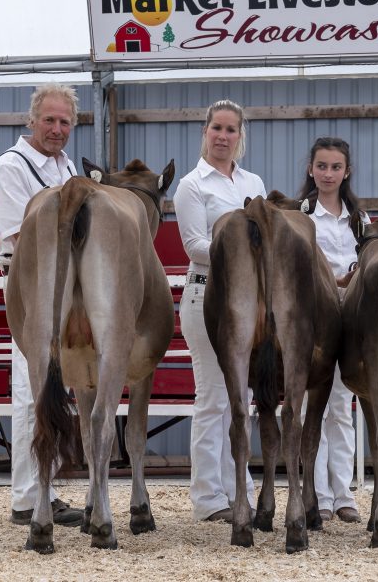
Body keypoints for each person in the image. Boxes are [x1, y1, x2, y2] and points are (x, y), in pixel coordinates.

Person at [0, 83, 84, 528]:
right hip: (28, 286)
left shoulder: (69, 168)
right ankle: (26, 497)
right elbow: (17, 236)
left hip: (68, 289)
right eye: (49, 120)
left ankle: (47, 489)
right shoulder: (11, 166)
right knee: (30, 392)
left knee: (56, 389)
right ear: (32, 120)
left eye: (64, 121)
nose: (56, 129)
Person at [174, 99, 266, 523]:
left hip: (246, 300)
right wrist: (242, 253)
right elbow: (194, 245)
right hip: (206, 294)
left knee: (241, 399)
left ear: (240, 136)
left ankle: (239, 490)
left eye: (231, 130)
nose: (223, 137)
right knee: (213, 398)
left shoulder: (253, 182)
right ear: (205, 131)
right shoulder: (192, 185)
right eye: (217, 128)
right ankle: (208, 498)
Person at [295, 137, 368, 524]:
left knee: (341, 407)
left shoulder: (359, 217)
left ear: (346, 171)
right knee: (313, 409)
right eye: (321, 166)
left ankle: (343, 494)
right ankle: (318, 495)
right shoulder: (300, 215)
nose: (328, 173)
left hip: (350, 316)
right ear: (311, 169)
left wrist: (355, 275)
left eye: (335, 167)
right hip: (313, 319)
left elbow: (369, 260)